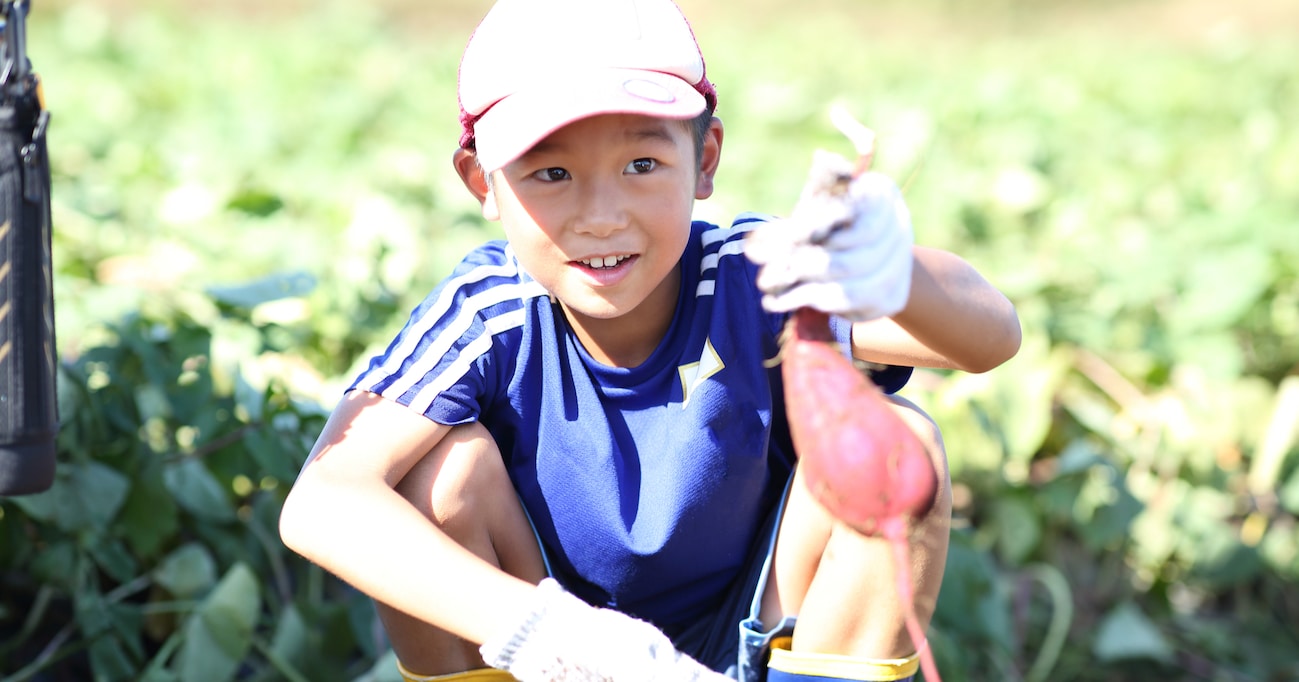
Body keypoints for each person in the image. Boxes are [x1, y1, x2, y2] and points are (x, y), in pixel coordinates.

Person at [278, 0, 1022, 681]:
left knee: (902, 440)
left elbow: (989, 338)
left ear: (703, 160)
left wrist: (894, 274)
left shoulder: (751, 276)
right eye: (551, 173)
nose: (600, 216)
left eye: (641, 165)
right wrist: (540, 629)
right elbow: (321, 501)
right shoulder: (491, 313)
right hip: (553, 653)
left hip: (758, 636)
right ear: (482, 182)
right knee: (435, 474)